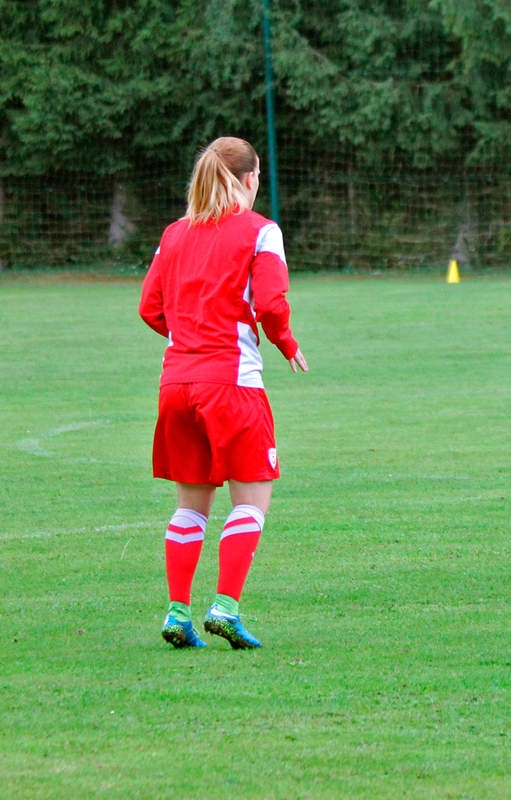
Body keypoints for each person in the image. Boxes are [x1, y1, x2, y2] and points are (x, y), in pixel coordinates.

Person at [139, 136, 308, 649]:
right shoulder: (262, 232)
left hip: (176, 385)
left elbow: (150, 306)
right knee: (252, 499)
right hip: (231, 385)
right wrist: (286, 344)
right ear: (251, 179)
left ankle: (176, 613)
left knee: (190, 506)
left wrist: (189, 337)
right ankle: (226, 608)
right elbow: (272, 302)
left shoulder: (173, 234)